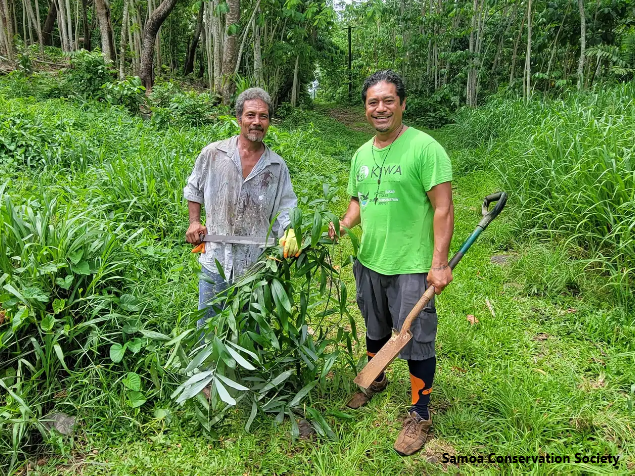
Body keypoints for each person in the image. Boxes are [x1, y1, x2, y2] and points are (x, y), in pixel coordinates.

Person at [329, 70, 454, 456]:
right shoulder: (361, 154)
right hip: (370, 260)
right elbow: (357, 203)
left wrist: (438, 262)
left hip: (411, 265)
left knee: (416, 339)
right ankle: (375, 377)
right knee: (375, 324)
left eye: (387, 101)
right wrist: (342, 225)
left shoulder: (425, 148)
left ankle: (420, 412)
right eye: (372, 102)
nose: (380, 109)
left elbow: (444, 207)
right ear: (365, 108)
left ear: (401, 104)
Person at [184, 87, 299, 328]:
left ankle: (246, 366)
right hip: (215, 258)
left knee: (249, 329)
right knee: (209, 327)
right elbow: (194, 188)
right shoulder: (213, 154)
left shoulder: (277, 166)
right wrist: (194, 222)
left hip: (256, 264)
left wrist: (289, 231)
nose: (257, 122)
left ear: (269, 122)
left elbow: (286, 206)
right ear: (239, 118)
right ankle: (209, 367)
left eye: (263, 116)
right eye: (250, 115)